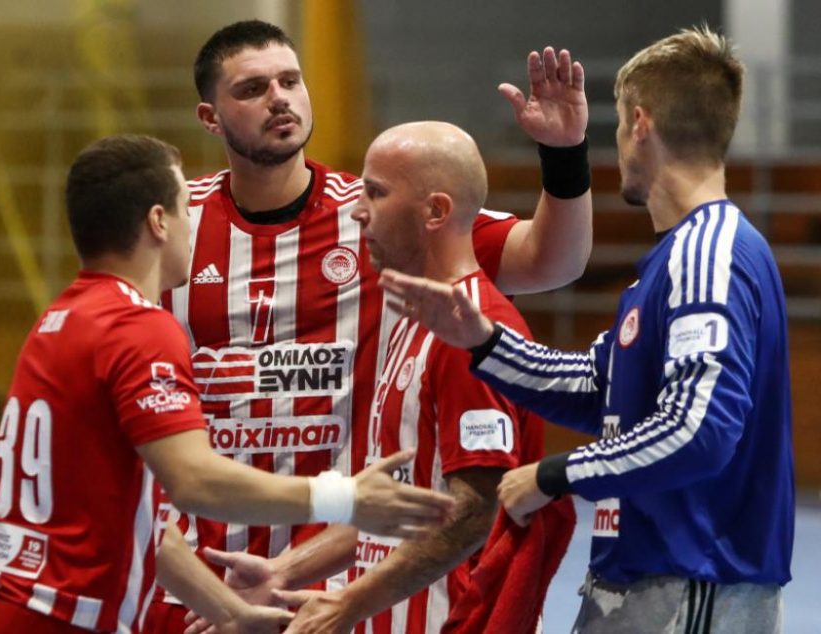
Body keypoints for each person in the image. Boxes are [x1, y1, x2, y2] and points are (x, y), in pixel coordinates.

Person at [147, 19, 593, 630]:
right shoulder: (171, 230)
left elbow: (552, 259)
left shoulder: (379, 215)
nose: (278, 98)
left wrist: (565, 155)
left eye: (290, 81)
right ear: (210, 117)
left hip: (339, 579)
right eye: (252, 89)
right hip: (200, 580)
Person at [0, 134, 456, 634]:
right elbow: (195, 481)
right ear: (159, 222)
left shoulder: (63, 317)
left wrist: (231, 613)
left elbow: (144, 521)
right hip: (49, 613)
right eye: (186, 209)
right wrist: (346, 497)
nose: (193, 225)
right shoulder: (138, 326)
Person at [379, 26, 794, 633]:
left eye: (619, 126)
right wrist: (485, 343)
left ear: (640, 125)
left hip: (691, 585)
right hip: (653, 583)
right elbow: (598, 386)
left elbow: (699, 430)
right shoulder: (679, 258)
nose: (618, 145)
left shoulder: (707, 255)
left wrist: (557, 474)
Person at [207, 121, 576, 634]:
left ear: (436, 211)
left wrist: (347, 604)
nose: (357, 211)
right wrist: (285, 571)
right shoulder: (408, 322)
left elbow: (475, 510)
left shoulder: (470, 330)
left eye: (376, 193)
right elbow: (405, 505)